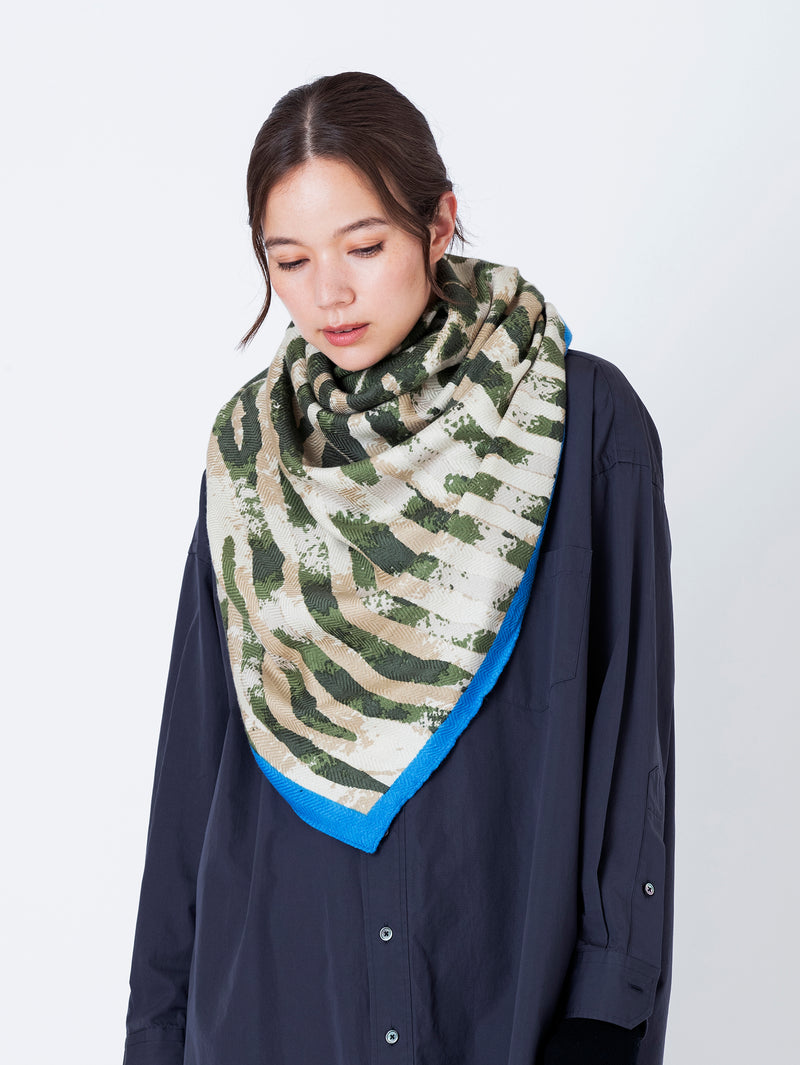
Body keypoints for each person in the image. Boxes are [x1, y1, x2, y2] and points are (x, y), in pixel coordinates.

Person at [122, 71, 675, 1065]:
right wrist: (153, 1033)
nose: (326, 294)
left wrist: (607, 1006)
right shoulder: (251, 459)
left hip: (502, 1004)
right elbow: (194, 766)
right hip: (272, 1007)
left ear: (438, 223)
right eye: (289, 261)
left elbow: (628, 731)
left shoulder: (577, 423)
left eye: (364, 247)